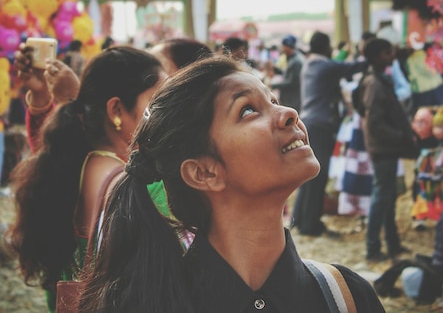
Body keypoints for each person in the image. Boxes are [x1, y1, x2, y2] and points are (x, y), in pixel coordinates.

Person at [78, 55, 385, 313]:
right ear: (204, 173)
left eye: (274, 100)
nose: (289, 113)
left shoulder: (348, 298)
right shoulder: (147, 303)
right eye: (248, 110)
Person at [7, 45, 166, 312]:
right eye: (158, 102)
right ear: (116, 110)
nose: (167, 114)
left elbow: (50, 145)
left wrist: (58, 98)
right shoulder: (131, 183)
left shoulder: (77, 162)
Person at [291, 31, 368, 236]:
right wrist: (368, 53)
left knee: (309, 174)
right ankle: (311, 225)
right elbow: (353, 67)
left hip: (311, 122)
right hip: (321, 124)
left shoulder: (310, 63)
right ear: (326, 47)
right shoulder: (324, 65)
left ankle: (300, 220)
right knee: (318, 174)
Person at [358, 38, 419, 262]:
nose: (391, 56)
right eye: (386, 53)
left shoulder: (380, 79)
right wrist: (401, 136)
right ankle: (373, 248)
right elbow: (375, 122)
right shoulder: (374, 83)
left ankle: (392, 245)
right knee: (381, 198)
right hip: (383, 149)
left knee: (387, 198)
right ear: (376, 57)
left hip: (387, 148)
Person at [270, 35, 304, 110]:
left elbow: (292, 82)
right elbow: (288, 74)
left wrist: (273, 85)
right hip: (290, 99)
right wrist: (276, 69)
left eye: (283, 46)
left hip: (292, 100)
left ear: (288, 46)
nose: (282, 49)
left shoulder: (296, 61)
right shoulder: (293, 58)